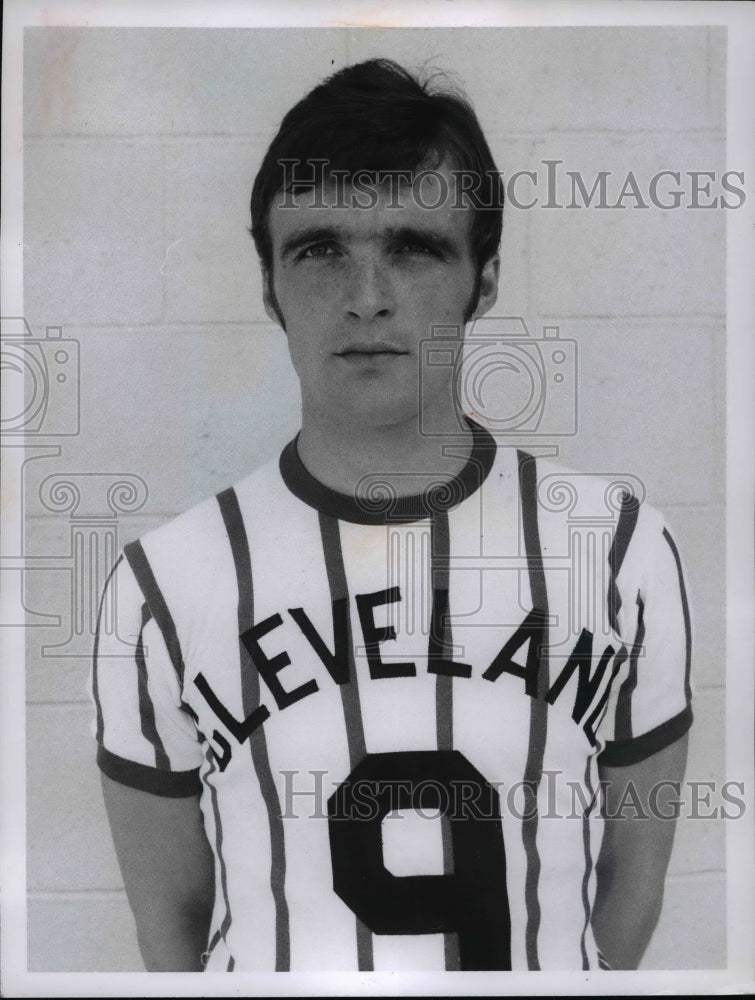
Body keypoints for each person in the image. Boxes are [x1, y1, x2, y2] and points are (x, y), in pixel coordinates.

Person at [91, 58, 692, 973]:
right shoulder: (161, 585)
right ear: (268, 287)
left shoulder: (617, 550)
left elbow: (631, 889)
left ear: (482, 282)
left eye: (413, 246)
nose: (365, 294)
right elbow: (172, 920)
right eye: (319, 247)